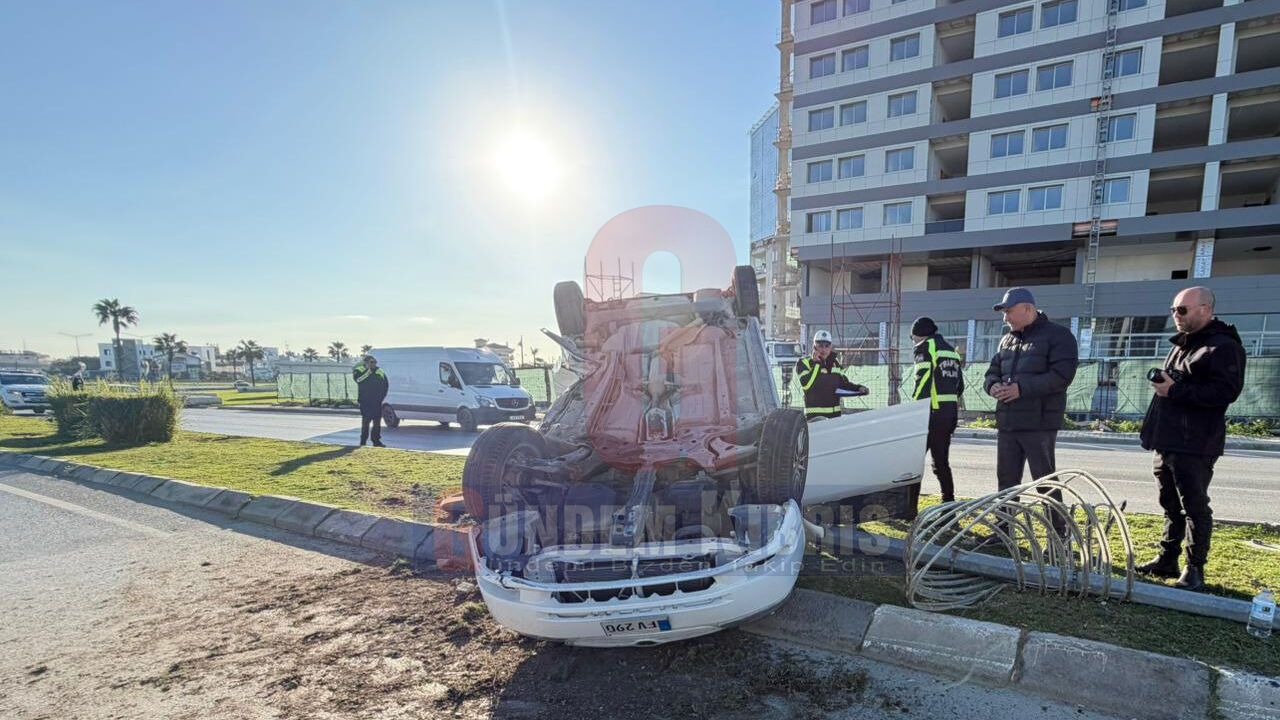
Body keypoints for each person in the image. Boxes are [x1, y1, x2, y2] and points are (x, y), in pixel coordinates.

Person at [1136, 287, 1246, 592]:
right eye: (1173, 310)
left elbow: (1225, 393)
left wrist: (1174, 390)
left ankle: (1194, 569)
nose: (1176, 316)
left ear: (1205, 309)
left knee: (1195, 506)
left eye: (1182, 310)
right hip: (1168, 437)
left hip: (1195, 442)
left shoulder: (1223, 347)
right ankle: (1167, 558)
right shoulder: (1185, 344)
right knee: (1170, 504)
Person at [983, 288, 1078, 533]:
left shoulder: (1059, 336)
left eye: (1009, 312)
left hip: (1039, 423)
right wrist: (993, 386)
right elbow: (992, 371)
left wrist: (1021, 389)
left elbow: (1061, 376)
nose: (1005, 318)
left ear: (1028, 309)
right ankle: (1004, 529)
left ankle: (1058, 533)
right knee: (1006, 481)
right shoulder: (1007, 340)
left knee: (1045, 482)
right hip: (1008, 422)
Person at [910, 317, 964, 503]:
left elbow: (922, 379)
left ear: (919, 335)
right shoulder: (950, 351)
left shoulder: (924, 347)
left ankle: (910, 508)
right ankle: (948, 503)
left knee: (913, 463)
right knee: (941, 462)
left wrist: (914, 409)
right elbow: (960, 386)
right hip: (949, 414)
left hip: (930, 413)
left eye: (913, 337)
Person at [795, 330, 868, 422]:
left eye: (827, 346)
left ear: (831, 347)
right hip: (814, 418)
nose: (823, 349)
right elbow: (807, 385)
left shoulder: (835, 363)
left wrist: (858, 388)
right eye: (820, 346)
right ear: (814, 347)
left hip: (835, 418)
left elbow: (843, 384)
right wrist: (817, 363)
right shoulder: (804, 362)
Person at [353, 355, 389, 447]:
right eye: (371, 362)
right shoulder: (359, 370)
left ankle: (376, 441)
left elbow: (385, 384)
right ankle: (363, 441)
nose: (374, 364)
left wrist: (381, 397)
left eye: (375, 362)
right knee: (366, 422)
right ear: (366, 362)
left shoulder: (379, 371)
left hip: (377, 401)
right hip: (365, 401)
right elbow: (358, 380)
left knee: (377, 422)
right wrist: (368, 371)